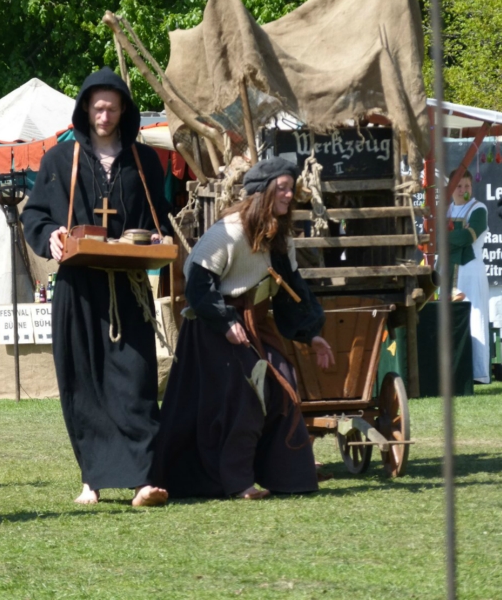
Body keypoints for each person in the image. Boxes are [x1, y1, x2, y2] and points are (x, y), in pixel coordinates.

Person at [21, 67, 171, 505]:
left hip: (128, 287)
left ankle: (144, 480)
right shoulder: (58, 161)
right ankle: (93, 479)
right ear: (85, 108)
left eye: (112, 107)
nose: (104, 115)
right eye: (97, 106)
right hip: (78, 289)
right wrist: (49, 234)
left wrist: (159, 236)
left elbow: (158, 217)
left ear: (124, 109)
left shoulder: (145, 161)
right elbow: (36, 216)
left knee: (137, 381)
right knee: (83, 383)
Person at [153, 157, 334, 499]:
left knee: (283, 384)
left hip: (256, 322)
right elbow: (198, 282)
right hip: (213, 327)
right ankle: (237, 483)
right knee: (246, 397)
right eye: (281, 188)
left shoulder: (280, 235)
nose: (288, 195)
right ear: (261, 193)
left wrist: (312, 332)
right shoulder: (230, 231)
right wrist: (225, 322)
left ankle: (288, 476)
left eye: (290, 189)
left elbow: (291, 288)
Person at [447, 169, 490, 384]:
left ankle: (478, 373)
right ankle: (454, 371)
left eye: (467, 186)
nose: (463, 190)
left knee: (475, 317)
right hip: (448, 270)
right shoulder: (445, 209)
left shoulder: (478, 208)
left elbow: (467, 236)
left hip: (471, 269)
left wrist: (445, 237)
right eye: (459, 186)